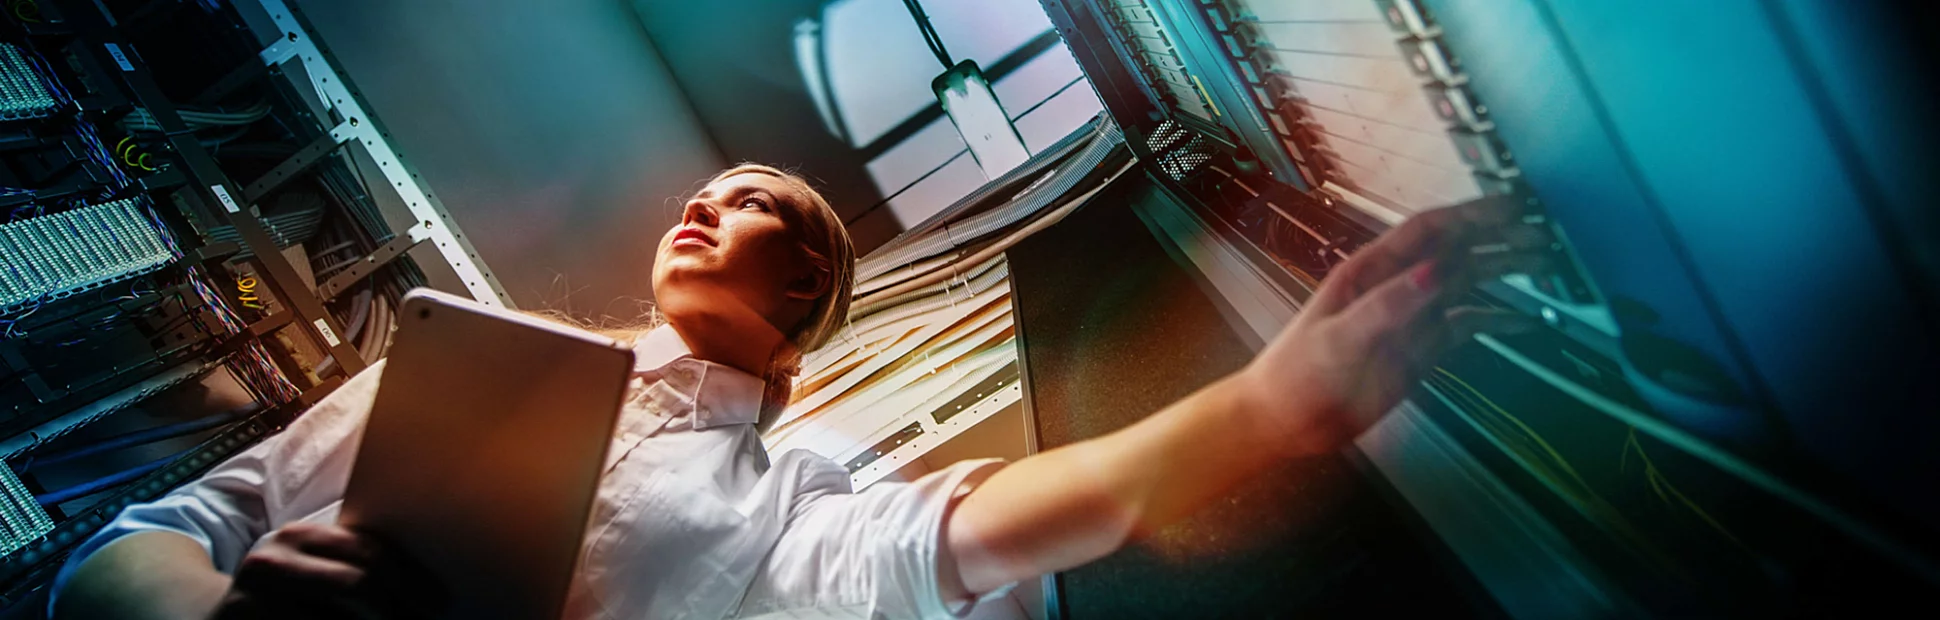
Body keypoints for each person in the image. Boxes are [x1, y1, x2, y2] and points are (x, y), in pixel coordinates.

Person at [51, 163, 1550, 619]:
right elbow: (145, 533)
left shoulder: (801, 493)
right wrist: (212, 618)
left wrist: (1270, 406)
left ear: (808, 295)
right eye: (701, 190)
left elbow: (965, 540)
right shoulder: (451, 365)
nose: (707, 202)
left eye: (757, 199)